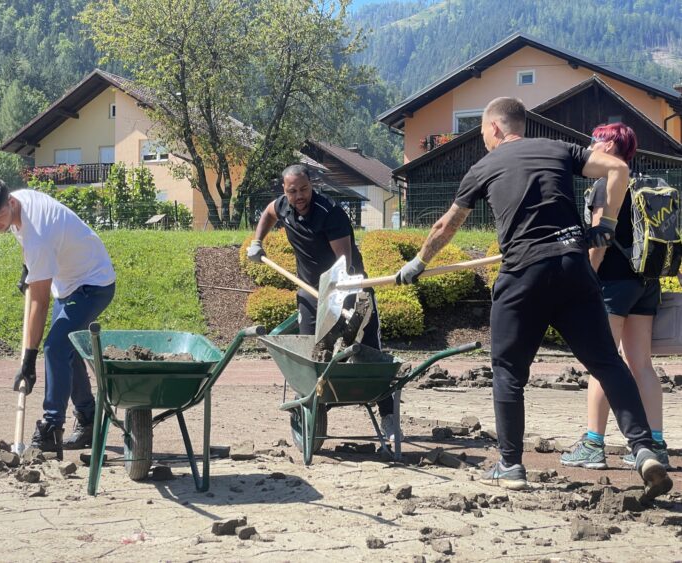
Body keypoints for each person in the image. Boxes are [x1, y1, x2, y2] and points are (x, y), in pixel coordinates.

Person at [395, 97, 672, 499]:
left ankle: (510, 464)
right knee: (608, 363)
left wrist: (418, 262)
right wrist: (606, 224)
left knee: (508, 371)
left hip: (523, 273)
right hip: (573, 268)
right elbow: (618, 168)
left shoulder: (484, 167)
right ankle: (644, 449)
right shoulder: (558, 149)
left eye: (483, 134)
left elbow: (447, 223)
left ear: (493, 129)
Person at [247, 164, 401, 441]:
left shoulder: (331, 214)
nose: (299, 196)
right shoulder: (283, 206)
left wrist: (339, 298)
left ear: (311, 185)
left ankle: (388, 417)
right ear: (285, 190)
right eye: (292, 191)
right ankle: (315, 411)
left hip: (349, 287)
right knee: (311, 356)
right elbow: (269, 212)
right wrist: (258, 241)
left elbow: (344, 264)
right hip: (310, 291)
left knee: (368, 353)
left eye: (304, 189)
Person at [0, 176, 116, 460]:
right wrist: (28, 270)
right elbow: (28, 245)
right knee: (67, 350)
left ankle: (51, 428)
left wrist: (29, 359)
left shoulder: (37, 232)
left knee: (55, 347)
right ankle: (88, 420)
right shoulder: (15, 207)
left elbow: (39, 300)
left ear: (10, 202)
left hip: (93, 284)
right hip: (70, 281)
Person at [561, 123, 669, 469]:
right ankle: (657, 443)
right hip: (646, 282)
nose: (591, 144)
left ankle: (593, 444)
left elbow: (599, 241)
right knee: (642, 365)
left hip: (612, 285)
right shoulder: (646, 185)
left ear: (610, 146)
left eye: (596, 139)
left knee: (602, 361)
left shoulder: (606, 184)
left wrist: (584, 278)